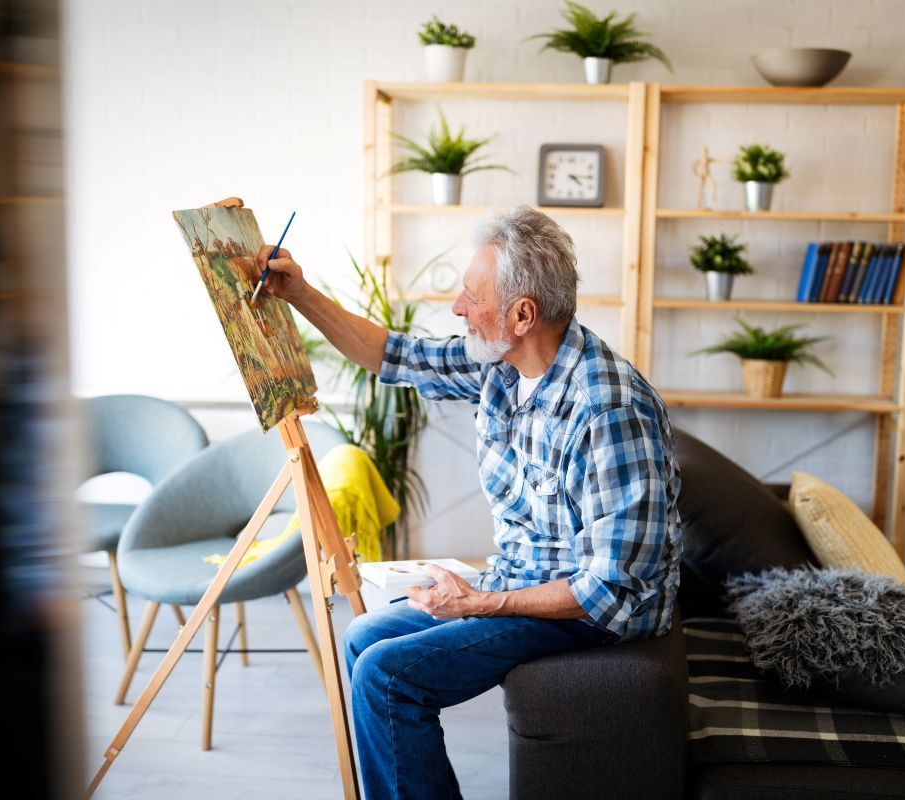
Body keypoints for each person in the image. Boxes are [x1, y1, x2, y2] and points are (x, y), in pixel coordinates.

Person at [257, 205, 683, 800]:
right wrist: (298, 293)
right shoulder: (503, 364)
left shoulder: (607, 409)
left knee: (385, 677)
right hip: (529, 578)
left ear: (522, 314)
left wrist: (482, 602)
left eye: (470, 295)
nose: (458, 308)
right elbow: (394, 355)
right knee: (362, 640)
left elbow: (608, 590)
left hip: (593, 615)